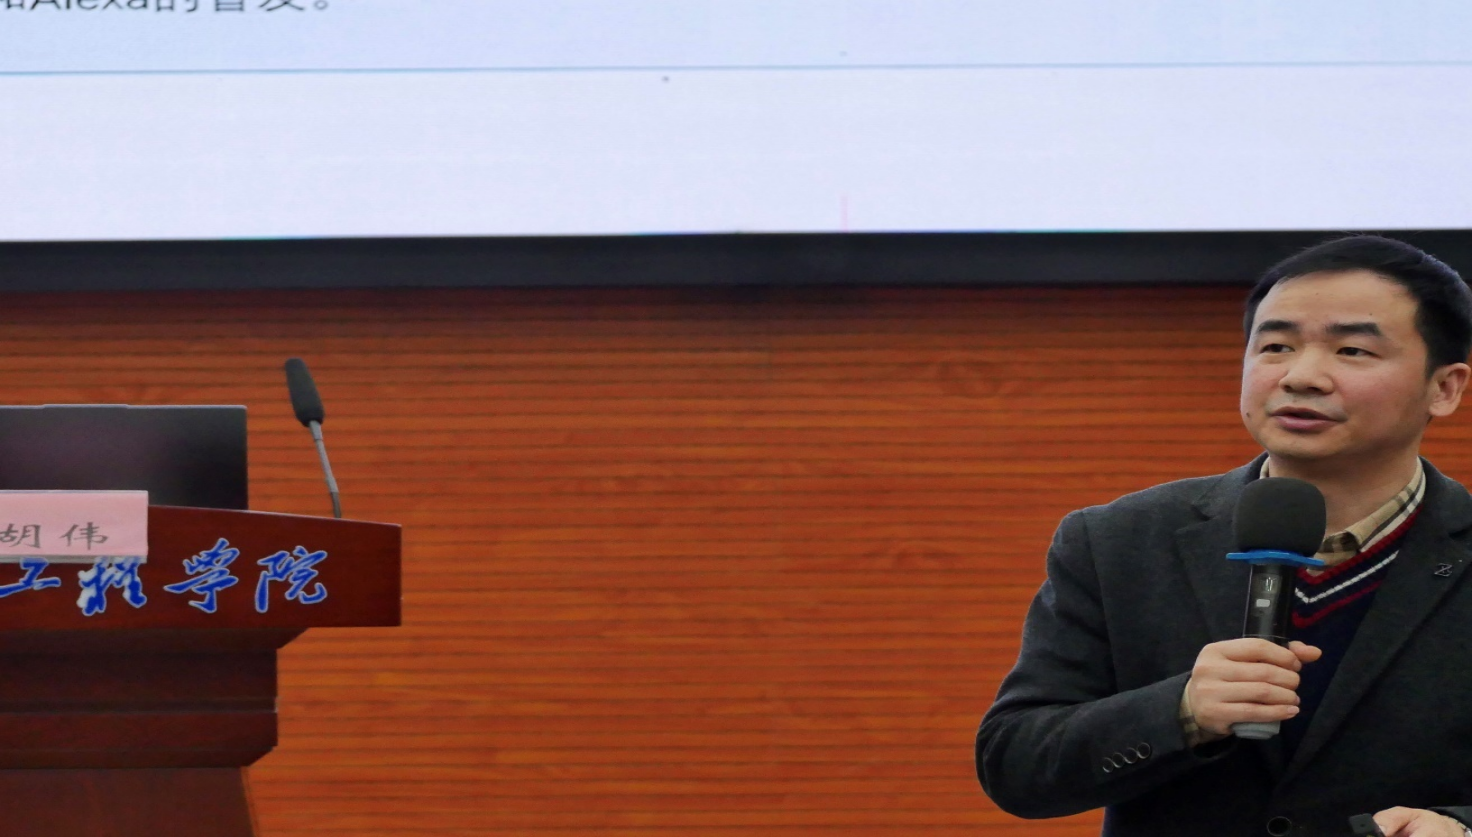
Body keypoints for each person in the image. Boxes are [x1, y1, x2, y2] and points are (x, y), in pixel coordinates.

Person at [975, 235, 1472, 837]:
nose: (1301, 376)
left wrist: (1459, 827)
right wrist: (1180, 712)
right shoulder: (1117, 541)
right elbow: (1016, 764)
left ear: (1445, 388)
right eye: (1276, 346)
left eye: (1352, 350)